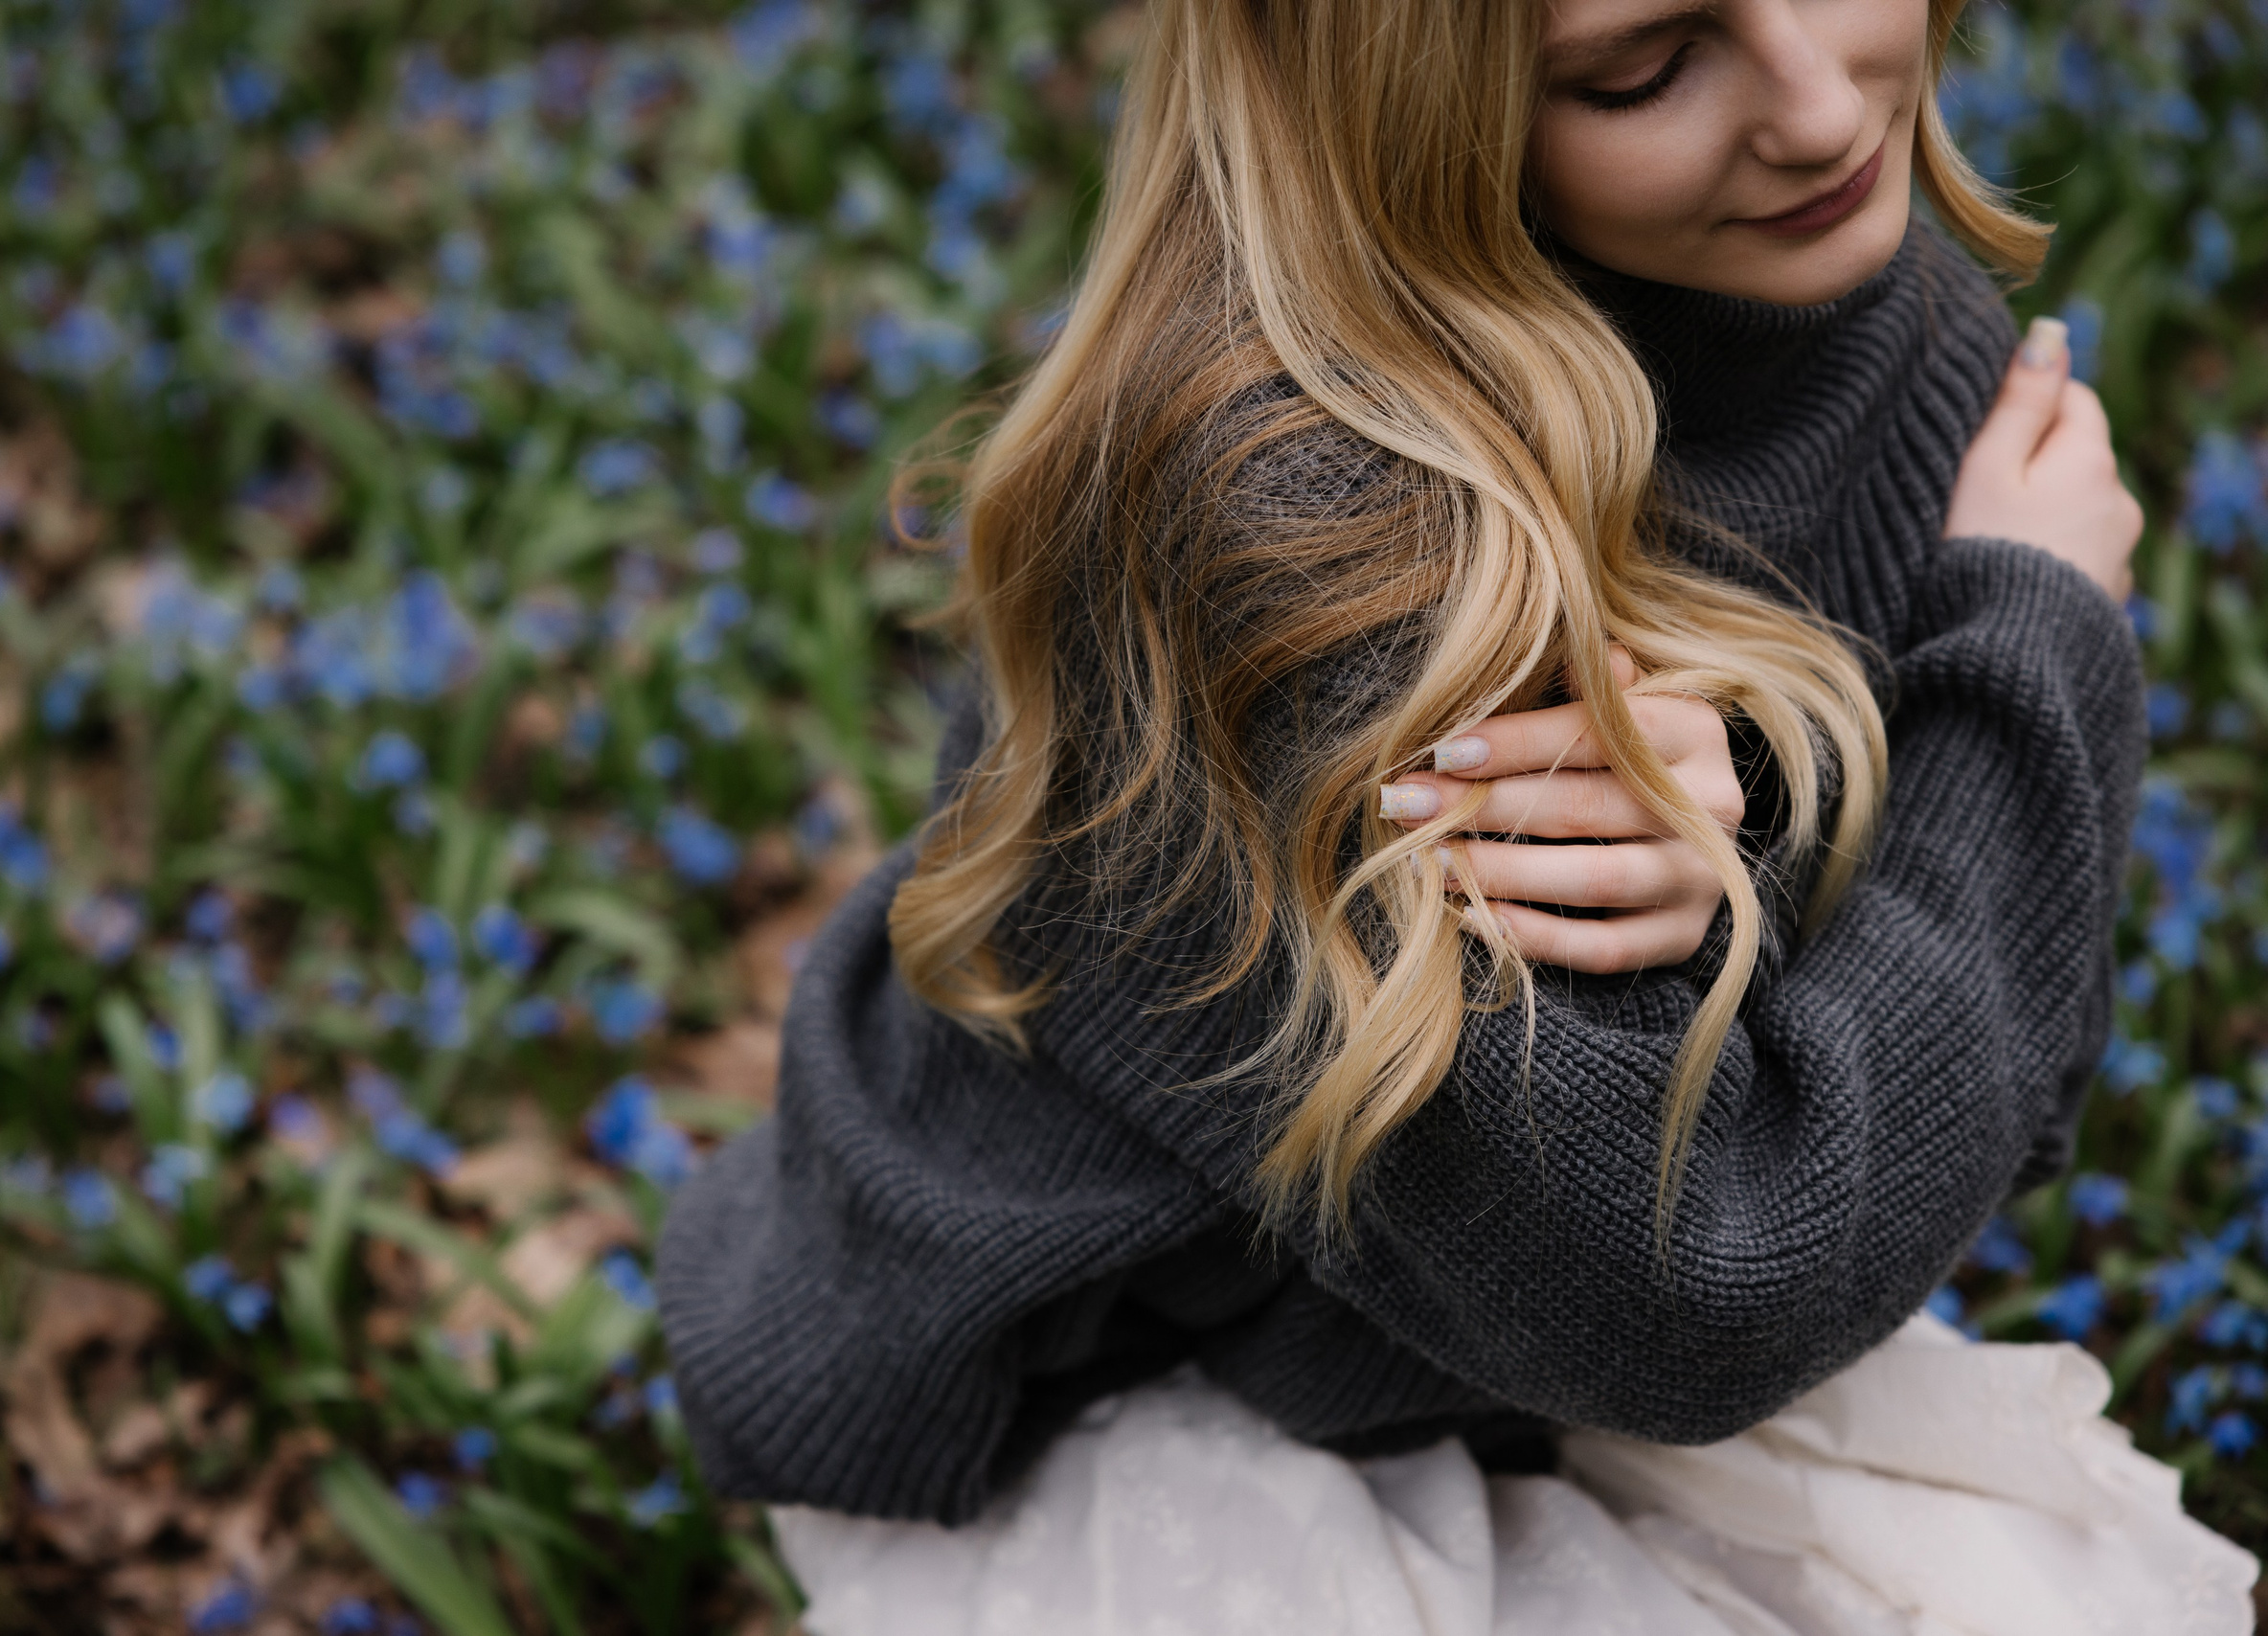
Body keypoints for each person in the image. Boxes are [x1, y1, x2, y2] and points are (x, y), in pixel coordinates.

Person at [659, 0, 2259, 1628]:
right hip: (1109, 1388)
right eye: (1643, 68)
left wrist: (1779, 797)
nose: (1824, 114)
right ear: (1407, 106)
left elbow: (2001, 1098)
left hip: (1493, 1319)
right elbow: (1708, 1290)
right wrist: (2032, 656)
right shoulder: (1307, 544)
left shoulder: (1849, 300)